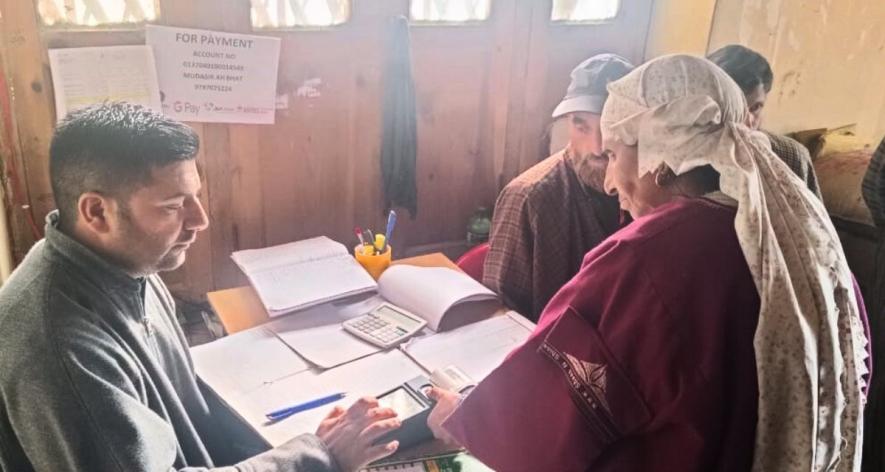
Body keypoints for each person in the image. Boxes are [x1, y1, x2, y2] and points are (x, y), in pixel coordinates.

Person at [427, 55, 868, 471]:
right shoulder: (799, 236)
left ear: (659, 158)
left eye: (615, 155)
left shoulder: (649, 257)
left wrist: (467, 416)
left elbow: (545, 417)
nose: (609, 181)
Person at [0, 102, 400, 472]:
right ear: (96, 212)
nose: (200, 220)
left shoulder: (124, 261)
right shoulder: (60, 348)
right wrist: (318, 456)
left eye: (195, 197)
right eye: (173, 206)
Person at [482, 53, 633, 321]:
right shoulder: (529, 198)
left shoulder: (650, 189)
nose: (597, 147)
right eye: (581, 126)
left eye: (610, 128)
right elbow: (500, 315)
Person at [708, 44, 822, 199]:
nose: (746, 121)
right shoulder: (684, 156)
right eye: (734, 107)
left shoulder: (791, 156)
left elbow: (812, 214)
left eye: (755, 107)